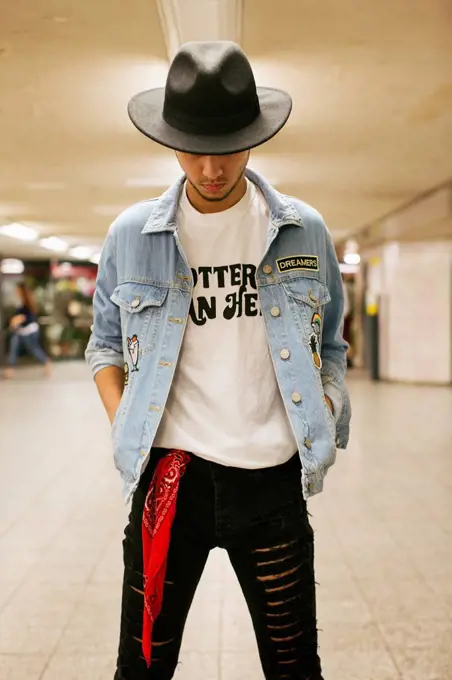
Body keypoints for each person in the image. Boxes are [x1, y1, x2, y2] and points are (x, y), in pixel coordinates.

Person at [86, 41, 351, 680]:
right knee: (142, 666)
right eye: (193, 148)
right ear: (170, 141)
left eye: (228, 146)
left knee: (294, 667)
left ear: (253, 138)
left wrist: (326, 408)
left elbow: (333, 345)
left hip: (271, 481)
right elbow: (105, 345)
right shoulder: (130, 234)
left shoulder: (302, 230)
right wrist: (127, 424)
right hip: (169, 483)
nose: (210, 168)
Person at [4, 283, 51, 379]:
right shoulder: (19, 302)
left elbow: (30, 317)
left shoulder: (27, 302)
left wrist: (20, 319)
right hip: (19, 331)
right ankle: (10, 371)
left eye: (18, 290)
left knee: (33, 349)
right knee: (13, 349)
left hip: (29, 331)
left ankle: (46, 362)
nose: (16, 292)